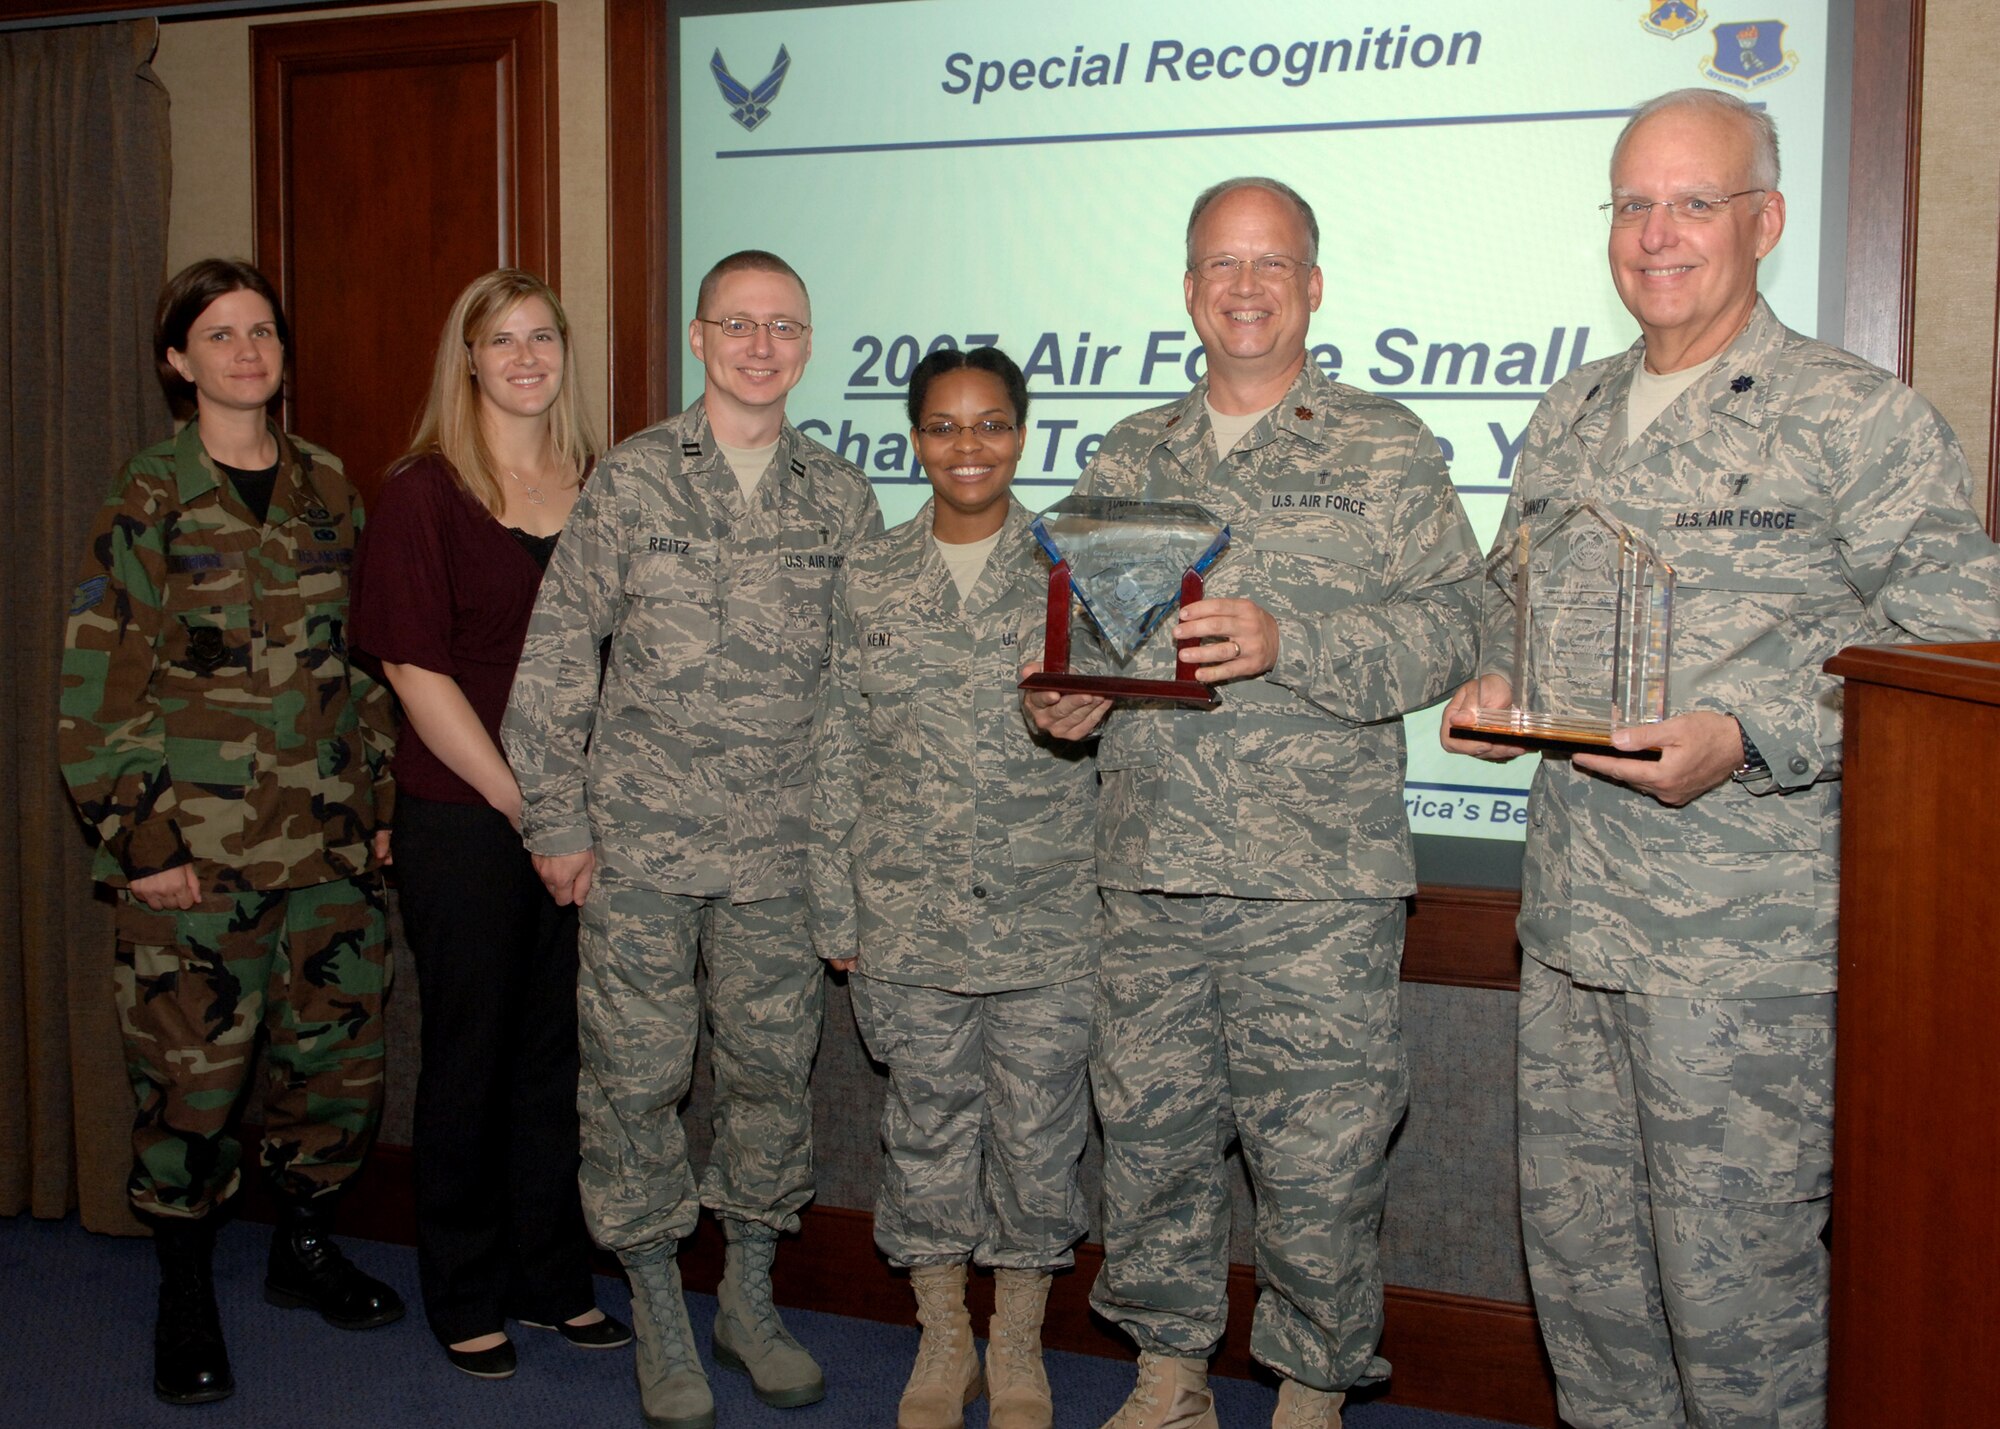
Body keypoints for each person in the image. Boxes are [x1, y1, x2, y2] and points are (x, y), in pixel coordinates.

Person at [1440, 88, 2000, 1429]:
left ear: (1766, 220)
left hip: (1743, 959)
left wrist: (1756, 732)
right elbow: (1506, 600)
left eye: (1693, 200)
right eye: (1633, 202)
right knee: (1591, 1286)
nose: (1657, 233)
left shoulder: (1852, 418)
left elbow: (1964, 644)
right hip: (1574, 930)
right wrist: (1495, 674)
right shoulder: (1571, 412)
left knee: (1737, 1305)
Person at [1026, 179, 1483, 1429]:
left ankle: (1308, 1387)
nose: (1244, 286)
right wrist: (1064, 704)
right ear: (1186, 290)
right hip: (1150, 869)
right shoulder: (1128, 454)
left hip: (1317, 885)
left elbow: (1456, 622)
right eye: (1219, 264)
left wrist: (1295, 642)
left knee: (1321, 1158)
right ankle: (1168, 1373)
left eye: (1270, 263)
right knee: (1153, 1139)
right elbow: (1086, 641)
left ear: (1312, 286)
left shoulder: (1382, 445)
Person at [501, 249, 883, 1429]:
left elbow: (864, 691)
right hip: (643, 854)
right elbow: (558, 658)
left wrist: (855, 860)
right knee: (636, 1083)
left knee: (771, 1080)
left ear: (808, 347)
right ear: (698, 337)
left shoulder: (841, 496)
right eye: (739, 324)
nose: (760, 345)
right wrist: (555, 822)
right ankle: (659, 1307)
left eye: (784, 327)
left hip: (782, 856)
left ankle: (748, 1299)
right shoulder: (628, 482)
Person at [59, 258, 403, 1406]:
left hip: (330, 855)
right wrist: (142, 845)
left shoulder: (330, 490)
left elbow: (363, 668)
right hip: (195, 862)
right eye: (219, 333)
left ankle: (302, 1247)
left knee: (335, 1071)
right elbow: (97, 688)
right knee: (190, 1090)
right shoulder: (147, 495)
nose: (246, 350)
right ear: (178, 360)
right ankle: (185, 1287)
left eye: (262, 330)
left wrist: (382, 802)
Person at [808, 347, 1097, 1429]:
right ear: (912, 438)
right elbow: (836, 743)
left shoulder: (1074, 566)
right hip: (903, 912)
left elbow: (1123, 742)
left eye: (988, 424)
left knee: (1037, 1135)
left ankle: (1015, 1341)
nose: (965, 446)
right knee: (925, 1128)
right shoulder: (869, 572)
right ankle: (942, 1337)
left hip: (1049, 911)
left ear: (1021, 434)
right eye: (941, 426)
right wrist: (834, 902)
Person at [349, 269, 629, 1379]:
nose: (524, 356)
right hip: (469, 818)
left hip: (585, 828)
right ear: (465, 359)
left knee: (558, 1063)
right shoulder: (423, 492)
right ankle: (463, 1289)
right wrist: (534, 806)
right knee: (469, 1057)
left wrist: (585, 812)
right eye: (499, 339)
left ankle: (550, 1278)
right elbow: (414, 671)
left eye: (541, 336)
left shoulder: (601, 484)